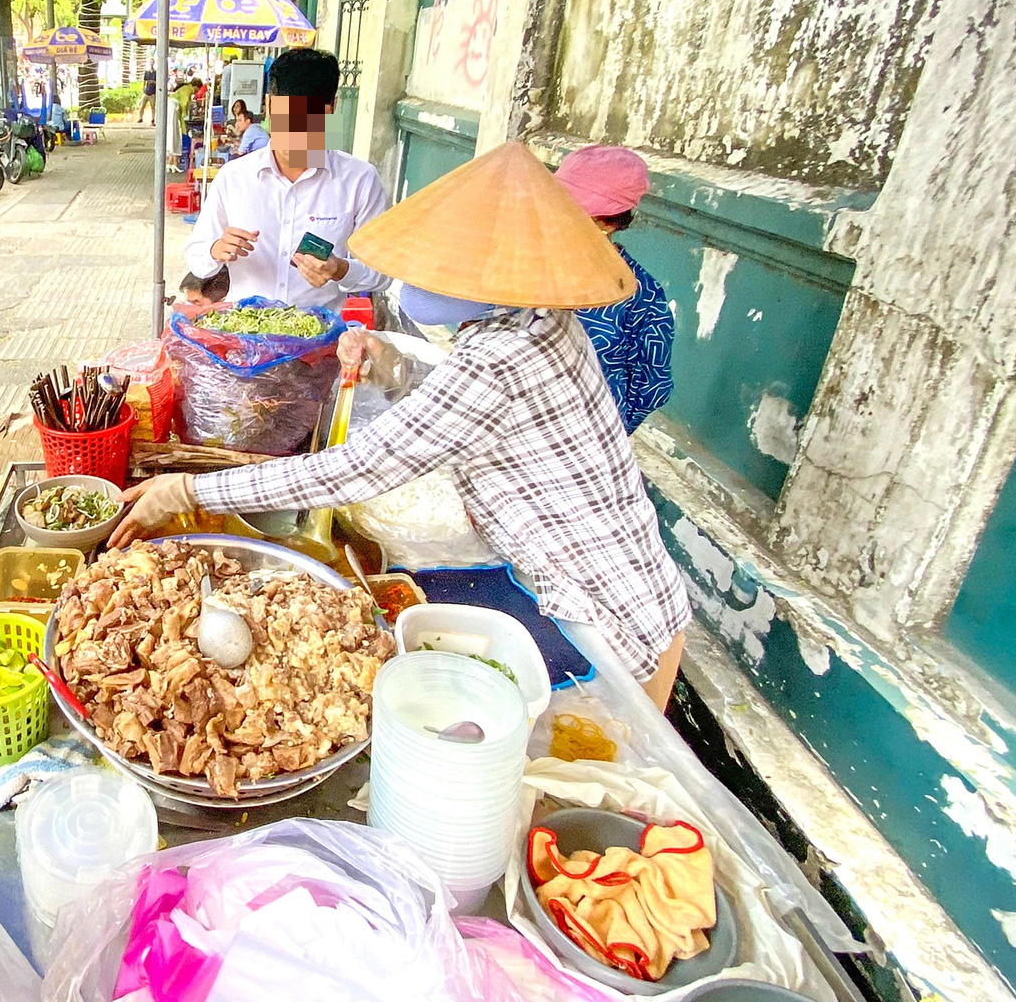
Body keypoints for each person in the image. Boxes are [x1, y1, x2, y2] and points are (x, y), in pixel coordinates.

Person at [122, 141, 691, 711]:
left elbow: (355, 470)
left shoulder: (503, 355)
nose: (415, 283)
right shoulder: (530, 317)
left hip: (608, 623)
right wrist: (394, 364)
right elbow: (461, 391)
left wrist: (186, 489)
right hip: (608, 595)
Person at [183, 47, 391, 311]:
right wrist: (215, 250)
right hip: (246, 337)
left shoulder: (359, 180)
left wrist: (340, 269)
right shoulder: (234, 177)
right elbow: (196, 256)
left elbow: (382, 274)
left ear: (331, 110)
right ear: (269, 105)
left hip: (317, 340)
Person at [558, 145, 674, 434]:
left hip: (582, 443)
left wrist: (607, 434)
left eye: (577, 211)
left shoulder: (640, 294)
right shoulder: (526, 264)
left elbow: (653, 385)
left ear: (609, 223)